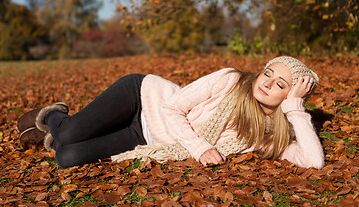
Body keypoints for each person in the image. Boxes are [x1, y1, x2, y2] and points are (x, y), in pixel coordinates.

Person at [17, 56, 324, 169]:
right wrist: (200, 147)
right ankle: (56, 116)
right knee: (69, 133)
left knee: (65, 157)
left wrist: (295, 108)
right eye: (267, 73)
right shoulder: (231, 79)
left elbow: (313, 162)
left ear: (289, 94)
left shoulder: (268, 134)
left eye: (280, 84)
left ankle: (53, 132)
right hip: (141, 99)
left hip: (144, 136)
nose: (267, 83)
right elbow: (173, 107)